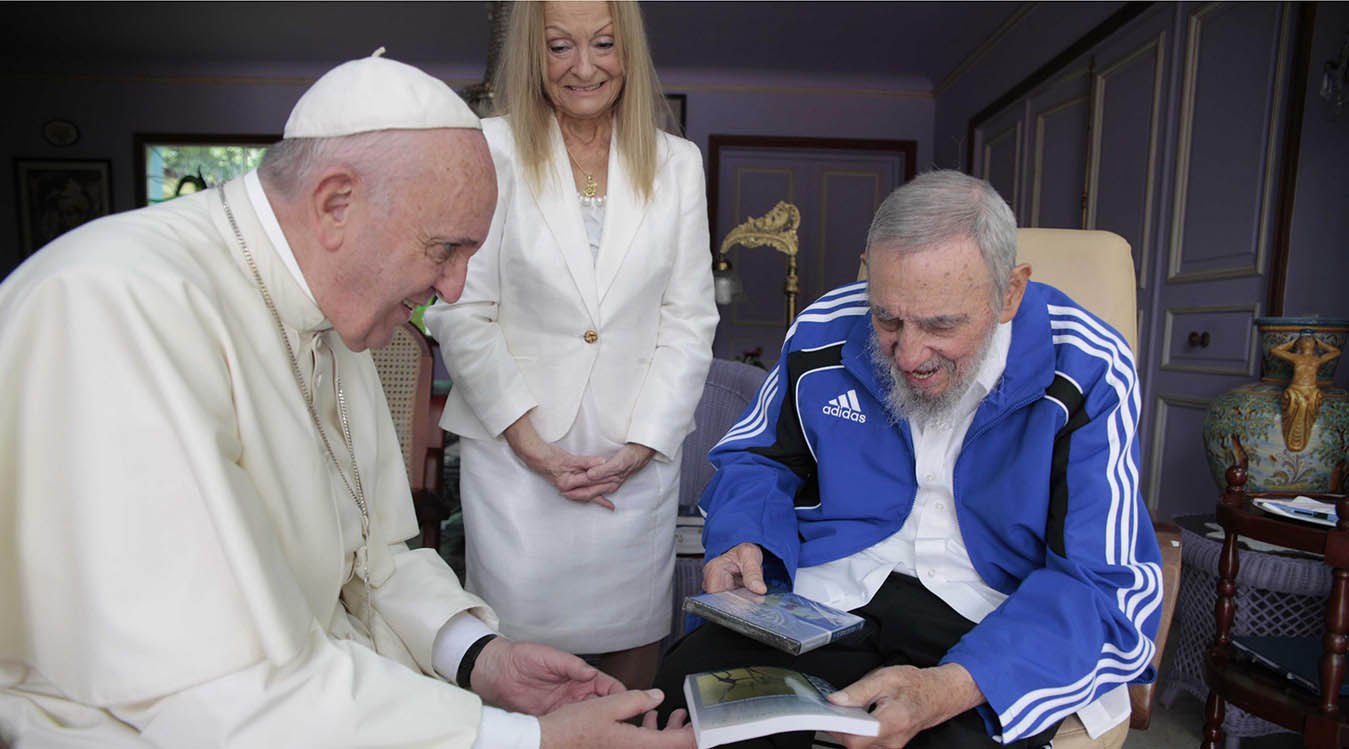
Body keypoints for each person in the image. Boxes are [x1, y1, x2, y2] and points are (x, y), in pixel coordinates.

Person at [0, 51, 692, 749]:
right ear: (336, 204)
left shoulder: (331, 310)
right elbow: (208, 686)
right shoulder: (113, 304)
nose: (454, 290)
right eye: (444, 249)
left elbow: (373, 559)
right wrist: (531, 740)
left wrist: (481, 657)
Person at [653, 170, 1164, 748]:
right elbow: (757, 458)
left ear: (1010, 293)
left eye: (941, 324)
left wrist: (952, 687)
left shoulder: (1087, 366)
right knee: (689, 697)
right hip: (829, 596)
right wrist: (744, 534)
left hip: (992, 616)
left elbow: (1102, 583)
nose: (909, 354)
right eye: (887, 319)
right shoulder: (825, 326)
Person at [423, 1, 716, 690]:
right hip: (518, 461)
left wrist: (641, 446)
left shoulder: (677, 164)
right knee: (519, 673)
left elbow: (688, 319)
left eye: (604, 44)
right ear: (534, 53)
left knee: (629, 670)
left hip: (631, 464)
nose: (584, 67)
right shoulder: (489, 148)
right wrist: (532, 446)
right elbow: (462, 311)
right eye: (560, 47)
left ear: (628, 51)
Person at [1270, 330, 1341, 451]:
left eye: (1311, 340)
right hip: (1296, 390)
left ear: (1315, 345)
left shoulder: (1317, 359)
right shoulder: (1296, 357)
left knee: (1307, 418)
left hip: (1312, 391)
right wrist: (1292, 343)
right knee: (1295, 413)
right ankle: (1292, 438)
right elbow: (1274, 350)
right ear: (1299, 344)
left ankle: (1301, 439)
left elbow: (1336, 352)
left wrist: (1321, 343)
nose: (1308, 340)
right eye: (1305, 339)